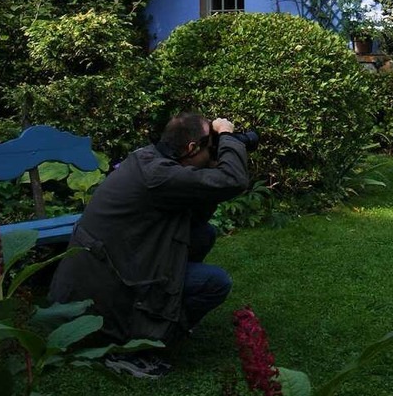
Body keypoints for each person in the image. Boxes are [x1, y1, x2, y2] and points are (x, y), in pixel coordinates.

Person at [49, 112, 254, 378]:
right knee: (215, 283)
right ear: (192, 148)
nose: (216, 149)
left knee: (203, 234)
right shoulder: (158, 175)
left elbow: (195, 217)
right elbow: (233, 180)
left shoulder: (151, 158)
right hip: (108, 285)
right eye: (212, 145)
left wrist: (211, 164)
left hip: (112, 262)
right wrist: (227, 136)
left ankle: (164, 317)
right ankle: (130, 347)